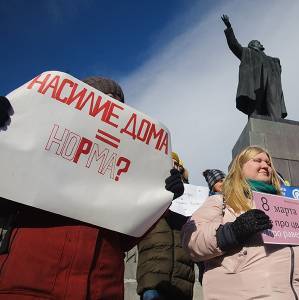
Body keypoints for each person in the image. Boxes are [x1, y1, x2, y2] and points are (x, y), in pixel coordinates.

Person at [0, 78, 184, 300]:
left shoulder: (127, 177)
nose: (111, 111)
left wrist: (160, 199)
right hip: (29, 284)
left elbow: (126, 238)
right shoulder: (36, 149)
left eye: (119, 106)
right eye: (102, 101)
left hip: (101, 289)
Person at [182, 145, 299, 299]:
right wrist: (232, 232)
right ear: (240, 167)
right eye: (258, 160)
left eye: (268, 163)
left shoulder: (292, 207)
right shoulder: (222, 201)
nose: (265, 165)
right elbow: (191, 240)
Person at [136, 152, 195, 300]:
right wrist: (165, 197)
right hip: (154, 273)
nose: (172, 166)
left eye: (175, 163)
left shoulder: (192, 196)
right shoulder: (148, 189)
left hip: (183, 277)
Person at [221, 14, 287, 119]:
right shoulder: (248, 53)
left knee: (274, 105)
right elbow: (234, 45)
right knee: (256, 108)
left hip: (272, 83)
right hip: (256, 85)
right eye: (257, 42)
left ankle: (277, 123)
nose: (260, 43)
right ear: (252, 45)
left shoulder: (273, 60)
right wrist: (229, 28)